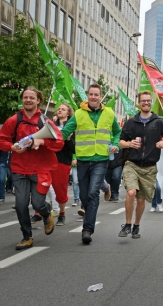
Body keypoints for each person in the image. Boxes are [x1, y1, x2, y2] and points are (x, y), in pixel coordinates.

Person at [0, 86, 64, 249]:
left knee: (38, 204)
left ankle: (46, 212)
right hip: (20, 169)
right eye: (25, 97)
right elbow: (1, 140)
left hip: (41, 169)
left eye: (31, 98)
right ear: (22, 99)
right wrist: (12, 147)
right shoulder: (13, 120)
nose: (28, 100)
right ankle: (27, 236)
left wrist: (42, 141)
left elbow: (60, 143)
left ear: (38, 100)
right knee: (20, 205)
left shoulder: (45, 121)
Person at [61, 84, 121, 244]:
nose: (93, 97)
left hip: (101, 158)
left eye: (96, 94)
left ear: (101, 97)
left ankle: (87, 229)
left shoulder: (109, 113)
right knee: (84, 195)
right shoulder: (79, 114)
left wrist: (116, 143)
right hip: (82, 159)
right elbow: (65, 132)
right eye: (91, 94)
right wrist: (51, 137)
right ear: (87, 96)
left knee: (93, 193)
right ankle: (98, 199)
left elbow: (117, 132)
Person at [118, 91, 163, 238]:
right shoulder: (131, 122)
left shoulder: (158, 122)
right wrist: (129, 143)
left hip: (149, 168)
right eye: (143, 101)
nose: (146, 103)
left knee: (140, 199)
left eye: (148, 101)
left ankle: (136, 225)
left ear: (151, 102)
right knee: (131, 193)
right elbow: (120, 142)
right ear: (138, 103)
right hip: (132, 164)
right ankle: (127, 225)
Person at [49, 103, 76, 226]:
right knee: (40, 186)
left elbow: (75, 149)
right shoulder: (50, 125)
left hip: (62, 161)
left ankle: (62, 213)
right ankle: (38, 213)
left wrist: (69, 140)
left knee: (60, 189)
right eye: (59, 109)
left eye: (63, 109)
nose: (60, 111)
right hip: (47, 161)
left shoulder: (72, 128)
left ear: (68, 113)